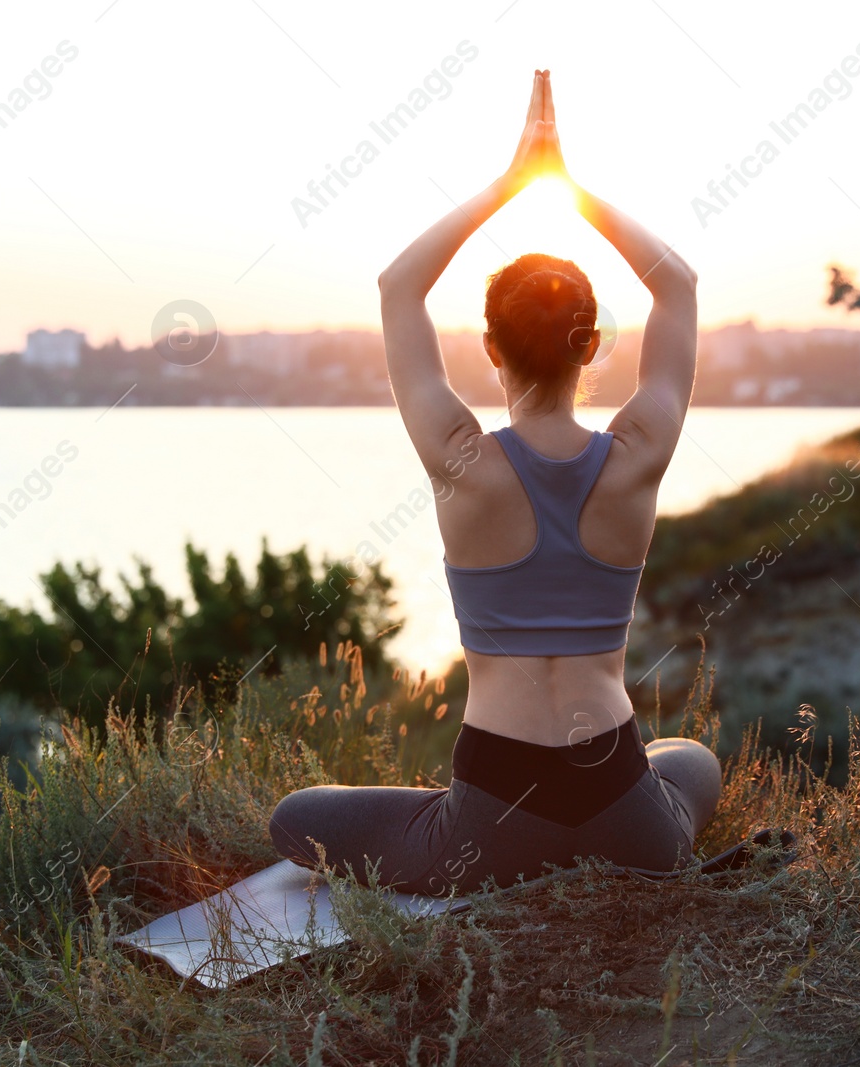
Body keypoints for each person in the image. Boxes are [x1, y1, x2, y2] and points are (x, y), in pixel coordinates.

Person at [268, 70, 721, 895]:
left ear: (488, 346)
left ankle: (454, 820)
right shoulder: (638, 454)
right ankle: (632, 828)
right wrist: (571, 189)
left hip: (489, 822)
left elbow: (398, 286)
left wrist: (512, 182)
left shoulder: (460, 460)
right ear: (592, 346)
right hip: (624, 807)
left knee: (297, 814)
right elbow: (678, 285)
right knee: (690, 758)